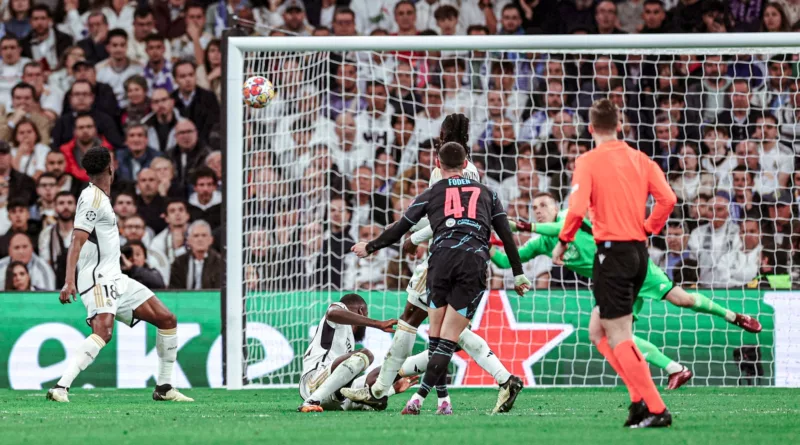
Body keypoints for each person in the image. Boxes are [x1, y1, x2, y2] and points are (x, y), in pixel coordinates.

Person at [343, 114, 525, 415]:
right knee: (439, 327)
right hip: (471, 258)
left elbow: (445, 218)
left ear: (444, 141)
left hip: (443, 257)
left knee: (417, 321)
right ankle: (396, 389)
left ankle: (381, 389)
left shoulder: (443, 176)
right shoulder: (473, 173)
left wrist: (413, 238)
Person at [494, 192, 762, 387]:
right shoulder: (541, 243)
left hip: (630, 265)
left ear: (556, 207)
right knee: (613, 336)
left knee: (683, 300)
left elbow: (561, 227)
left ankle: (735, 317)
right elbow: (506, 261)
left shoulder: (567, 217)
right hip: (614, 281)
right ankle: (674, 369)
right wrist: (484, 245)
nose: (538, 210)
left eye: (543, 205)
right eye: (534, 207)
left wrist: (523, 225)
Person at [552, 99, 676, 428]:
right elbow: (668, 199)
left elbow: (576, 210)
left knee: (619, 334)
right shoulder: (640, 159)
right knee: (599, 331)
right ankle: (637, 401)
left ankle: (656, 408)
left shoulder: (588, 161)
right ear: (619, 125)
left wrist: (563, 243)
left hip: (612, 254)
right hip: (638, 252)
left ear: (591, 128)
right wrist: (651, 227)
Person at [46, 147, 193, 403]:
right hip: (98, 277)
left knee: (167, 319)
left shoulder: (101, 197)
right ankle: (61, 387)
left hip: (116, 278)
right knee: (103, 332)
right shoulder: (92, 198)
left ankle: (165, 387)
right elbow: (76, 241)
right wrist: (69, 281)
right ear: (111, 168)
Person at [296, 293, 397, 412]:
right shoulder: (340, 311)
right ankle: (311, 401)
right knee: (365, 355)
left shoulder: (350, 340)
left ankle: (389, 390)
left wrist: (393, 388)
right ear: (361, 311)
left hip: (330, 396)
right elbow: (332, 312)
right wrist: (378, 324)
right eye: (366, 315)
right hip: (312, 382)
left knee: (383, 382)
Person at [168, 220, 223, 289]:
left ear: (211, 240)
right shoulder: (179, 263)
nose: (200, 239)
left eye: (204, 235)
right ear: (188, 240)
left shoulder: (220, 262)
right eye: (196, 236)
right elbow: (174, 291)